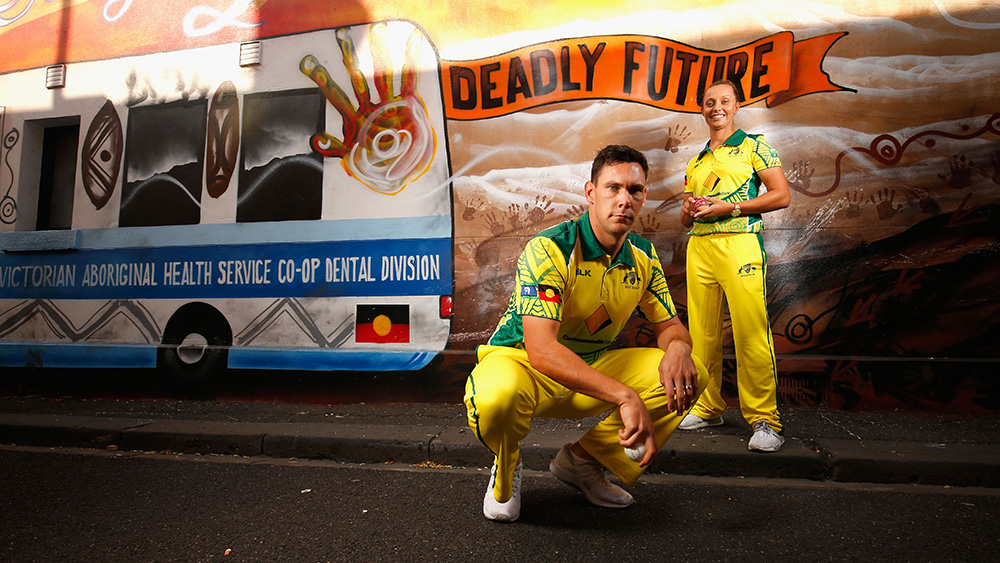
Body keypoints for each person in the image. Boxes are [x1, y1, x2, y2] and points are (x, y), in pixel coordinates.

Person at [464, 144, 708, 523]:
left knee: (692, 373)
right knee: (495, 398)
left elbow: (671, 327)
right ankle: (508, 462)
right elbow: (542, 349)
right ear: (591, 193)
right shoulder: (550, 249)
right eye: (613, 188)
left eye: (635, 190)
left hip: (590, 368)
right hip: (524, 365)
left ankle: (582, 462)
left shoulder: (643, 256)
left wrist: (678, 346)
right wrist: (624, 396)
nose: (624, 200)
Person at [677, 79, 791, 452]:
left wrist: (731, 207)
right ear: (702, 109)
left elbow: (781, 195)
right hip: (700, 248)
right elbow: (686, 218)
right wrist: (686, 210)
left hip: (740, 245)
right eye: (710, 102)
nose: (717, 108)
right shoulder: (696, 161)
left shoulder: (754, 146)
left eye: (724, 101)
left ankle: (765, 421)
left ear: (737, 106)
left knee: (750, 332)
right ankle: (709, 406)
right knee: (703, 335)